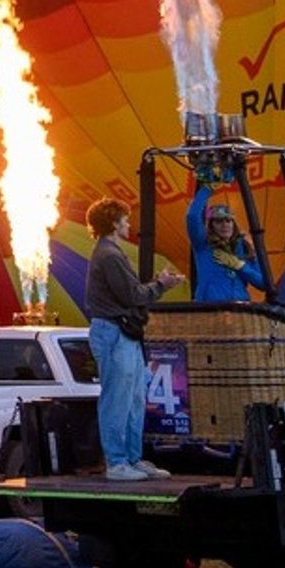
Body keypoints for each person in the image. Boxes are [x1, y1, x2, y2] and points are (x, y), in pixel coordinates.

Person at [81, 197, 176, 481]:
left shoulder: (110, 252)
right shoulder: (109, 255)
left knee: (134, 398)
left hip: (123, 333)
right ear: (113, 222)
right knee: (117, 399)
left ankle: (132, 458)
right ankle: (117, 462)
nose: (128, 223)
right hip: (113, 332)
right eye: (124, 219)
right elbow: (132, 295)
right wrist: (162, 284)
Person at [184, 192, 274, 304]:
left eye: (228, 220)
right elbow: (192, 217)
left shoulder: (246, 247)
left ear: (233, 223)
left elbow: (265, 284)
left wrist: (240, 266)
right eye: (218, 221)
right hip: (210, 308)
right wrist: (207, 189)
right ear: (211, 225)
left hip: (240, 308)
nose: (225, 225)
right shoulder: (203, 244)